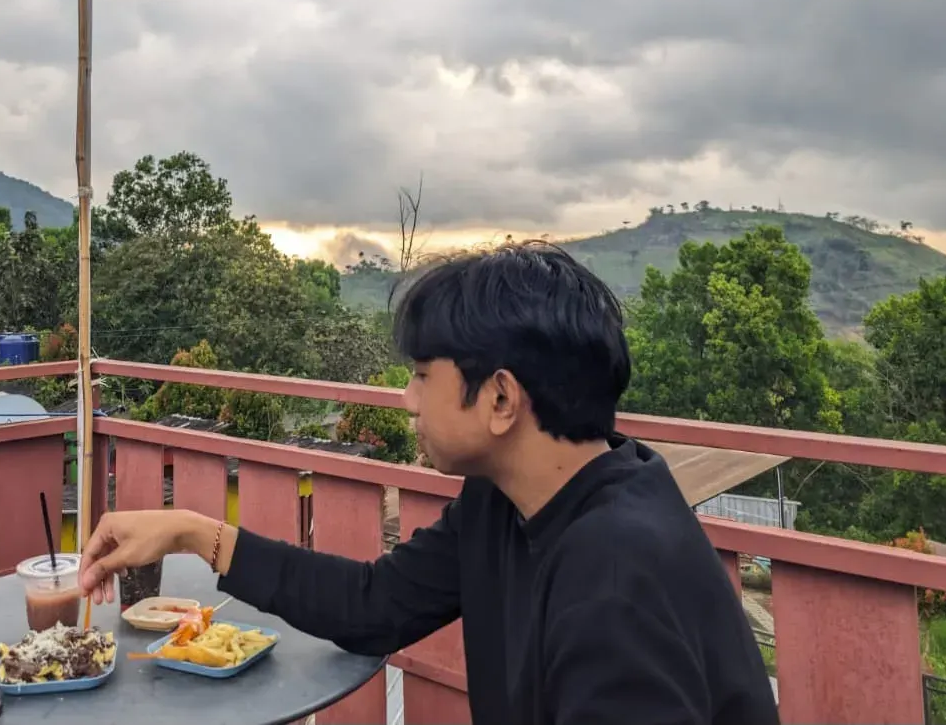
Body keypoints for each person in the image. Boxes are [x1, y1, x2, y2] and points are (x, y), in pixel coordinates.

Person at [81, 242, 779, 725]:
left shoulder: (618, 571)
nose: (407, 399)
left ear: (501, 400)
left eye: (422, 374)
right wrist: (193, 531)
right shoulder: (507, 501)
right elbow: (375, 605)